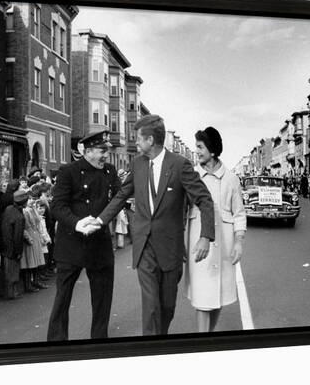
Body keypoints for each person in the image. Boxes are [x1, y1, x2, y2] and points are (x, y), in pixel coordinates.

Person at [95, 115, 215, 336]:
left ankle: (160, 338)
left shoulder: (180, 165)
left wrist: (206, 236)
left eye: (138, 138)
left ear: (150, 140)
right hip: (144, 247)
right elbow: (122, 195)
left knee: (166, 306)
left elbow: (204, 200)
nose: (136, 142)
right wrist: (100, 220)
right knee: (150, 305)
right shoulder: (137, 164)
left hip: (170, 249)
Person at [47, 129, 121, 341]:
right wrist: (77, 223)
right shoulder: (69, 171)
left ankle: (99, 342)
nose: (105, 155)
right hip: (72, 243)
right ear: (87, 152)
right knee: (62, 299)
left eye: (106, 151)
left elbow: (119, 198)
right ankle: (56, 345)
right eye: (101, 151)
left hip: (99, 244)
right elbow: (57, 206)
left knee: (102, 299)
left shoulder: (110, 171)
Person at [183, 127, 246, 332]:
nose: (197, 151)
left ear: (212, 149)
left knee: (219, 296)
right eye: (196, 147)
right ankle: (203, 341)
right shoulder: (192, 176)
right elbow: (179, 210)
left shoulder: (231, 179)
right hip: (198, 244)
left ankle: (208, 335)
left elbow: (239, 214)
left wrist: (238, 242)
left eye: (200, 147)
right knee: (202, 297)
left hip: (225, 245)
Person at [1, 189, 29, 299]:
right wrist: (18, 251)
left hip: (5, 244)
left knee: (6, 270)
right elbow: (18, 236)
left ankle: (4, 292)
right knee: (13, 271)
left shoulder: (8, 209)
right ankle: (11, 293)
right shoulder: (19, 217)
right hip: (12, 248)